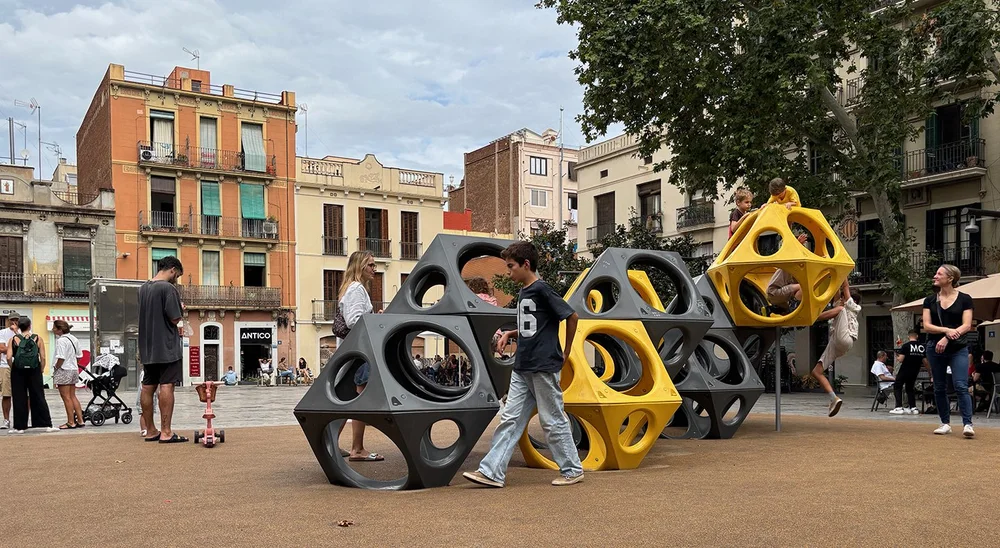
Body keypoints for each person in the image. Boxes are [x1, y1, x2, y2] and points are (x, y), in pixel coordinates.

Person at [464, 240, 584, 488]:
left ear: (525, 264)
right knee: (510, 418)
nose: (508, 272)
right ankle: (492, 472)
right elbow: (533, 326)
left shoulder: (542, 289)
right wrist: (511, 334)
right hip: (523, 366)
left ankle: (572, 469)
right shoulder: (524, 292)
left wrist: (567, 350)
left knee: (551, 420)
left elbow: (571, 316)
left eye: (511, 267)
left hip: (542, 365)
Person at [336, 250, 383, 462]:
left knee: (345, 398)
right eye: (370, 265)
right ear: (360, 266)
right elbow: (354, 321)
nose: (374, 269)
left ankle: (334, 445)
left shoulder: (353, 288)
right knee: (360, 397)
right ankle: (357, 449)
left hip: (352, 352)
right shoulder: (356, 289)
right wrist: (374, 321)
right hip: (359, 351)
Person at [138, 255, 187, 443]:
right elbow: (175, 318)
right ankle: (166, 432)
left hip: (147, 346)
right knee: (167, 385)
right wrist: (181, 308)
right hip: (166, 345)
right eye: (178, 275)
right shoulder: (168, 289)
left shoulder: (143, 288)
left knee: (147, 386)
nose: (177, 279)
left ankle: (150, 430)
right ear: (172, 270)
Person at [922, 264, 975, 437]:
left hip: (958, 348)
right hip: (934, 348)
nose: (935, 276)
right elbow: (927, 326)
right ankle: (945, 423)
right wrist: (945, 331)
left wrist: (947, 337)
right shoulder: (930, 300)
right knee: (939, 387)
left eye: (939, 273)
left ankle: (968, 424)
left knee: (961, 385)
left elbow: (967, 325)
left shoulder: (965, 299)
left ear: (950, 278)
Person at [811, 280, 861, 417]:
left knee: (840, 310)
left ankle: (812, 318)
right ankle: (834, 398)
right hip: (836, 344)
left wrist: (841, 273)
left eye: (843, 297)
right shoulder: (840, 304)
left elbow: (844, 286)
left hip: (846, 338)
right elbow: (836, 291)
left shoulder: (852, 306)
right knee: (816, 372)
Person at [6, 316, 57, 433]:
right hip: (34, 369)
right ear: (30, 326)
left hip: (18, 370)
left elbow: (9, 357)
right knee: (38, 395)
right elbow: (43, 357)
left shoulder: (13, 339)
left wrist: (12, 366)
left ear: (19, 327)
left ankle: (19, 426)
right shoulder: (37, 338)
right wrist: (41, 369)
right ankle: (45, 424)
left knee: (19, 397)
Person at [52, 319, 84, 429]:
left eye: (54, 328)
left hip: (63, 370)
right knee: (72, 396)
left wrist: (56, 367)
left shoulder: (61, 341)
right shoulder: (74, 338)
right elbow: (79, 356)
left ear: (60, 330)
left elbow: (61, 357)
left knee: (66, 397)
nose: (53, 329)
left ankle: (71, 422)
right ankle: (80, 420)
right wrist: (73, 363)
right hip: (73, 369)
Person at [891, 330, 928, 415]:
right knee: (910, 388)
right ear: (917, 336)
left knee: (897, 385)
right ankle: (913, 407)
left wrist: (897, 355)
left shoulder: (906, 346)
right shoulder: (922, 347)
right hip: (915, 370)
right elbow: (925, 361)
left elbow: (901, 359)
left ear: (908, 336)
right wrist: (930, 372)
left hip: (905, 369)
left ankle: (898, 407)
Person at [0, 313, 20, 429]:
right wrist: (16, 348)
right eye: (11, 320)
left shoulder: (23, 332)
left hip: (20, 365)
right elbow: (1, 348)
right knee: (6, 394)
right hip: (5, 365)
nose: (14, 322)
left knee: (23, 394)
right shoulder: (2, 333)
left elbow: (27, 346)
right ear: (8, 321)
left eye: (16, 320)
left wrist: (17, 333)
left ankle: (22, 419)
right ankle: (6, 419)